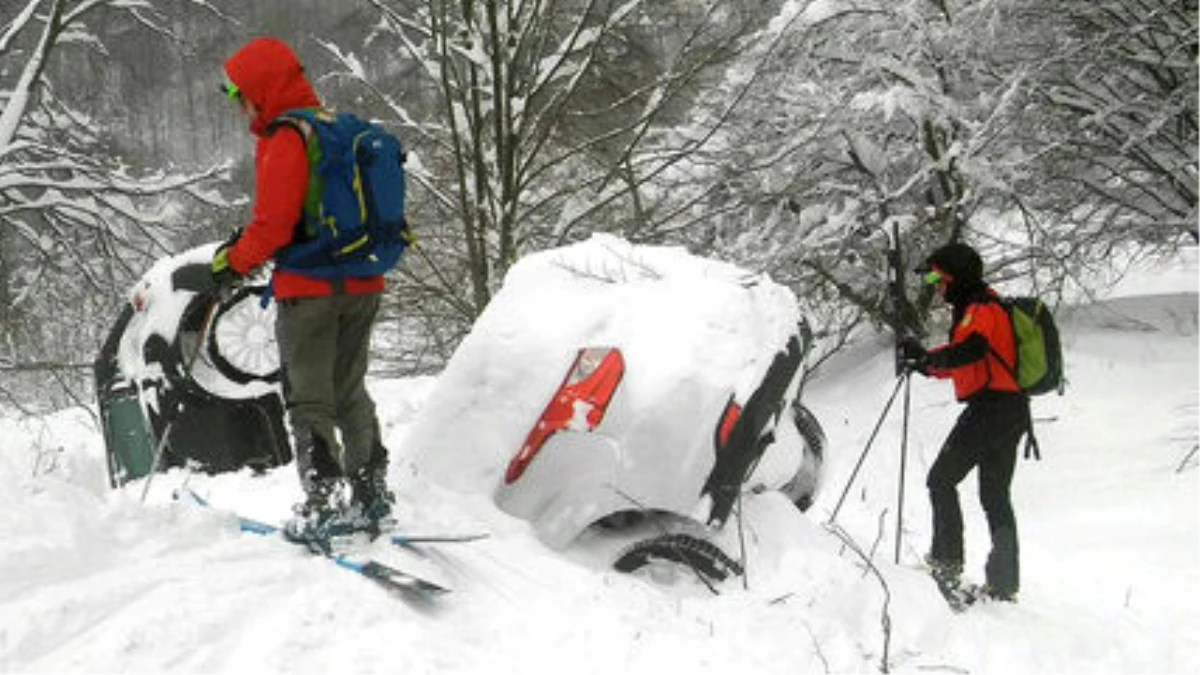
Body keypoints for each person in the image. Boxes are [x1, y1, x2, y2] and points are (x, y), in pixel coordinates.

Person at [210, 36, 394, 539]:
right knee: (350, 390)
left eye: (240, 95)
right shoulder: (338, 127)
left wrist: (231, 264)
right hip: (364, 282)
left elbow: (273, 225)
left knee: (309, 399)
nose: (239, 107)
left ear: (260, 90)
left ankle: (325, 504)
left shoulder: (286, 136)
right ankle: (372, 494)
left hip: (310, 290)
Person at [899, 242, 1028, 602]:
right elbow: (971, 359)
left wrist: (927, 360)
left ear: (956, 277)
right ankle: (1003, 584)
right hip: (1009, 408)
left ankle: (946, 564)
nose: (936, 286)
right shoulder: (984, 303)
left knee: (940, 480)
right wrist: (927, 364)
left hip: (992, 409)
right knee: (995, 495)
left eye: (939, 278)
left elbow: (972, 350)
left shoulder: (980, 308)